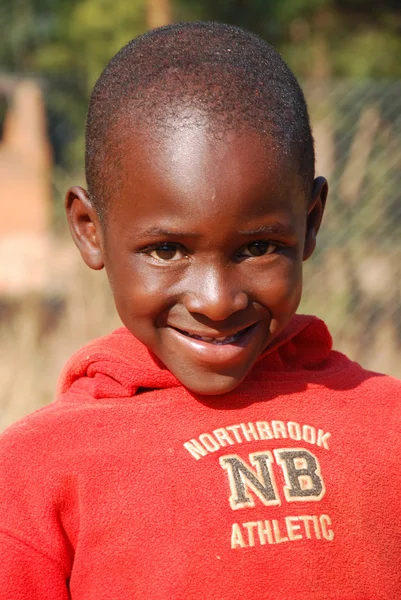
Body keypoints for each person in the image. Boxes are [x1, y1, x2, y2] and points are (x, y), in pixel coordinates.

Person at [0, 21, 400, 600]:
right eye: (167, 250)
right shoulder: (36, 473)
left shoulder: (387, 423)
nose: (217, 300)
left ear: (310, 223)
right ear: (90, 230)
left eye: (259, 248)